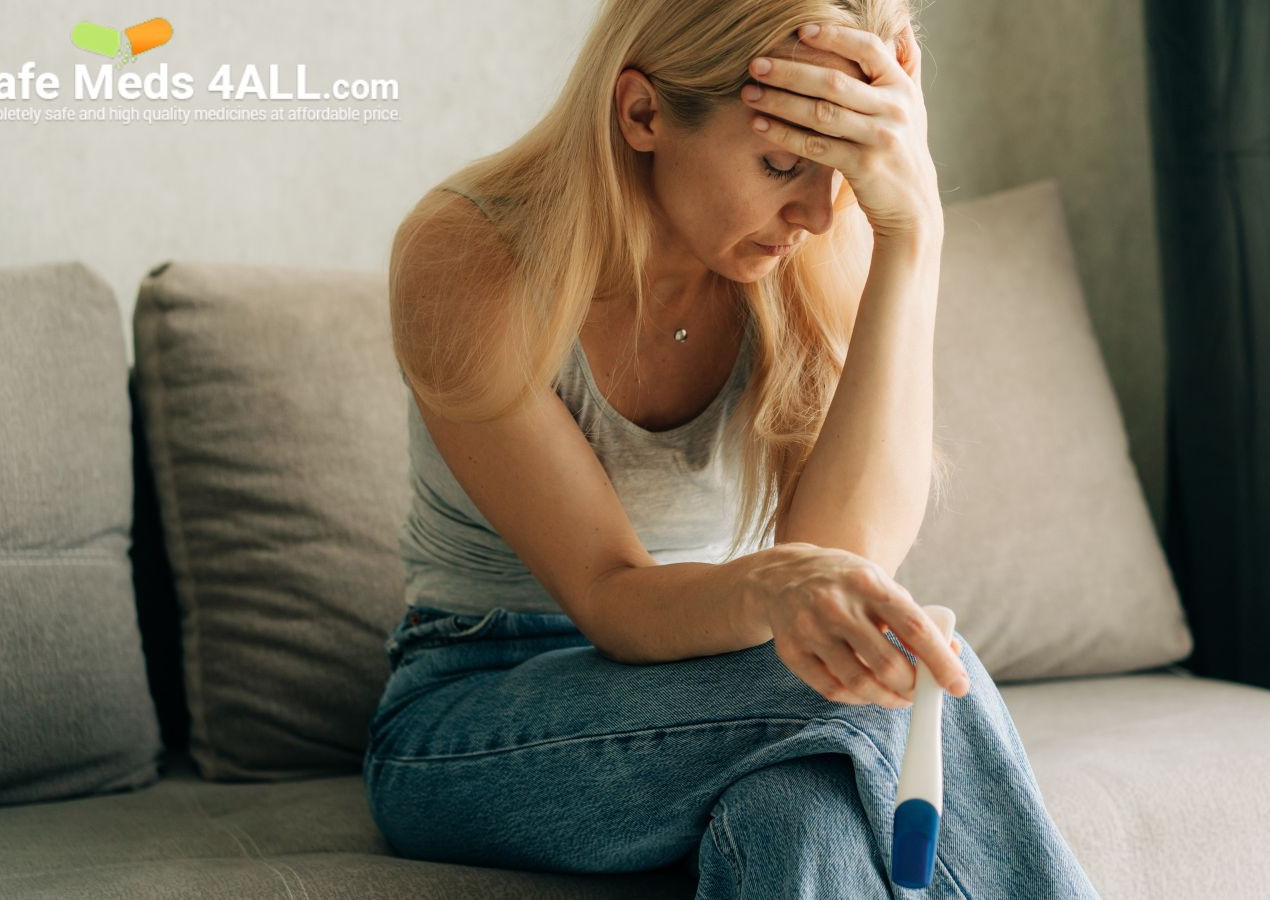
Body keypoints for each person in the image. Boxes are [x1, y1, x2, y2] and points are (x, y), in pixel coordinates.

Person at [364, 1, 1102, 896]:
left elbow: (842, 563)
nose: (820, 214)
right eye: (782, 163)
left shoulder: (803, 258)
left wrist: (915, 234)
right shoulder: (472, 256)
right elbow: (609, 596)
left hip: (726, 692)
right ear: (641, 115)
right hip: (472, 710)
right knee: (899, 689)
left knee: (802, 811)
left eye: (841, 174)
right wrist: (772, 586)